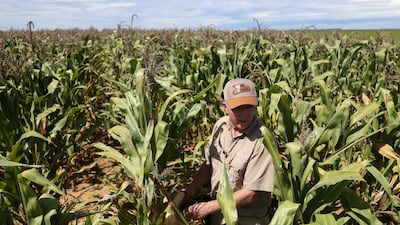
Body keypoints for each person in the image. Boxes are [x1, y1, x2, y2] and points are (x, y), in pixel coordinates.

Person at [172, 78, 276, 225]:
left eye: (249, 107)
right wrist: (188, 193)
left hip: (245, 220)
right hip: (216, 216)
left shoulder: (263, 140)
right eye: (238, 109)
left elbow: (253, 193)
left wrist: (208, 207)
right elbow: (208, 166)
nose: (245, 115)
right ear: (225, 107)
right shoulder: (220, 126)